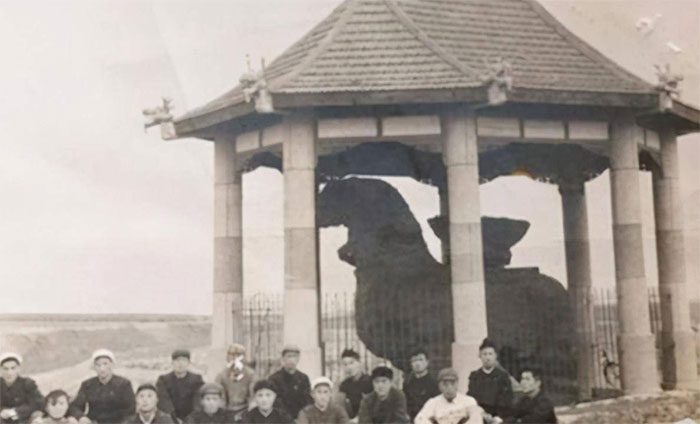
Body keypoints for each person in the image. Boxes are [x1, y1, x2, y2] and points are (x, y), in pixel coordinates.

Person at [68, 349, 136, 424]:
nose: (102, 369)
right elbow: (75, 406)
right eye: (98, 365)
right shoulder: (88, 385)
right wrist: (81, 417)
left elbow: (131, 411)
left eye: (105, 364)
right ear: (94, 367)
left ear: (111, 365)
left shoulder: (124, 384)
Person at [467, 339, 513, 423]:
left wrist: (498, 417)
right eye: (484, 354)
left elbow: (507, 399)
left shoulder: (503, 376)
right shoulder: (475, 376)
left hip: (499, 417)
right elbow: (471, 398)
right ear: (479, 355)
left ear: (495, 356)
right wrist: (482, 413)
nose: (487, 357)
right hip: (479, 416)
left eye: (490, 354)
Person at [414, 368, 482, 424]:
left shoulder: (468, 401)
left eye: (452, 383)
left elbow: (477, 420)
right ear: (439, 386)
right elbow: (419, 419)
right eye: (445, 384)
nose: (449, 387)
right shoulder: (433, 402)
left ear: (457, 383)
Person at [156, 349, 204, 421]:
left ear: (188, 363)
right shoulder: (163, 380)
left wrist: (190, 419)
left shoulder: (197, 379)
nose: (180, 364)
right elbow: (163, 401)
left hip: (192, 418)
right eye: (177, 360)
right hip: (169, 418)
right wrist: (174, 418)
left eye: (184, 360)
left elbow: (198, 401)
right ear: (172, 362)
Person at [267, 345, 312, 418]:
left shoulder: (303, 378)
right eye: (289, 356)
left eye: (294, 356)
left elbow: (307, 401)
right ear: (283, 358)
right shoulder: (274, 379)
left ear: (298, 359)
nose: (291, 360)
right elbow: (273, 403)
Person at [214, 344, 256, 421]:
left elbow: (252, 396)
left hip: (245, 409)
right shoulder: (221, 375)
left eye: (239, 355)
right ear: (227, 357)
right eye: (232, 354)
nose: (235, 358)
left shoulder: (250, 374)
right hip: (227, 411)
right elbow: (219, 397)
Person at [0, 353, 43, 424]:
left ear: (18, 369)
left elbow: (38, 403)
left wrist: (15, 411)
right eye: (5, 369)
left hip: (25, 419)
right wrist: (3, 411)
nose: (9, 372)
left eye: (13, 368)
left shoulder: (27, 383)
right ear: (1, 369)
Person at [402, 348, 440, 421]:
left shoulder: (434, 383)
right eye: (414, 360)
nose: (417, 363)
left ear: (427, 362)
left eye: (420, 360)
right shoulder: (407, 384)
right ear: (411, 364)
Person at [338, 349, 372, 420]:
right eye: (345, 364)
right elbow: (341, 407)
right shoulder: (344, 385)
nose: (349, 367)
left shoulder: (370, 382)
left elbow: (372, 406)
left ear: (359, 363)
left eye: (351, 363)